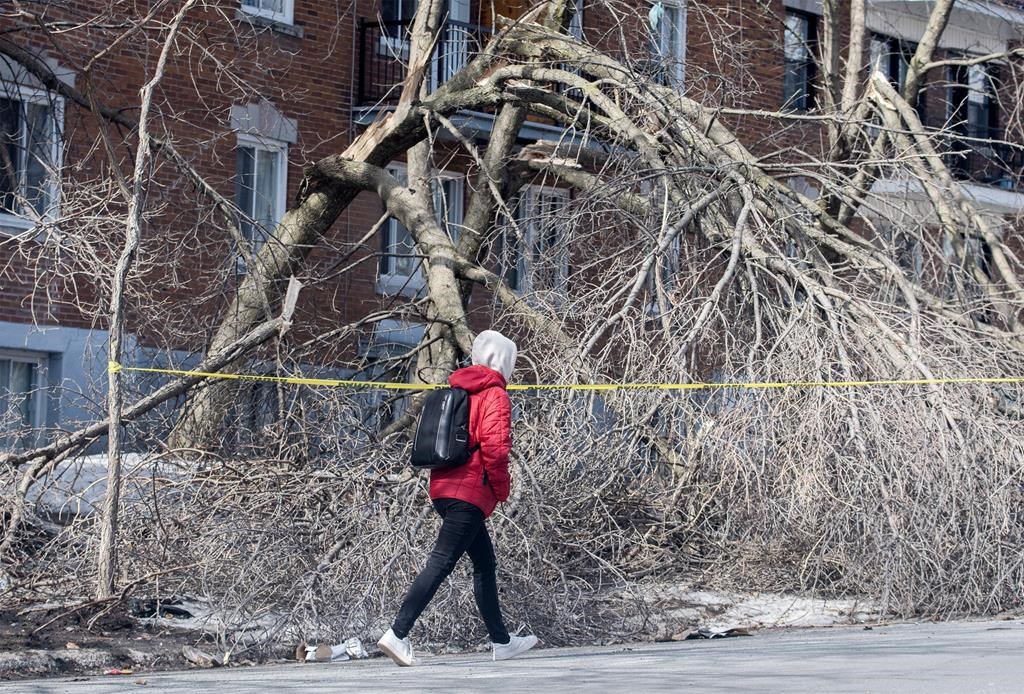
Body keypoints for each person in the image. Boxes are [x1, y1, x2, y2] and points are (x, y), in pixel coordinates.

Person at [377, 330, 538, 666]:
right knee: (442, 562)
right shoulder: (493, 393)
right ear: (502, 360)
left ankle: (502, 640)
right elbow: (495, 449)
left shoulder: (458, 387)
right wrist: (502, 489)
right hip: (470, 491)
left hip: (443, 487)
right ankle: (397, 633)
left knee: (484, 563)